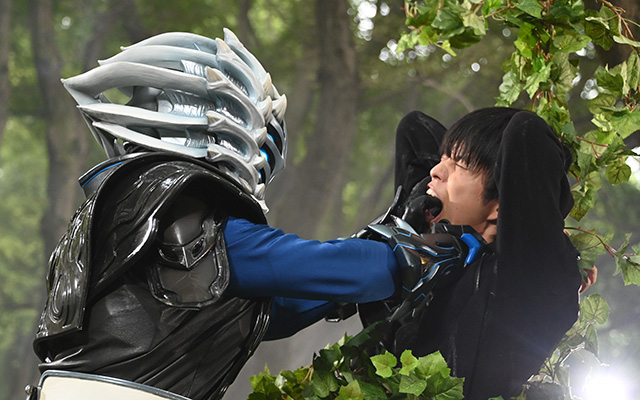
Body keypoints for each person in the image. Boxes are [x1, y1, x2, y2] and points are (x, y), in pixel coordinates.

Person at [29, 29, 451, 400]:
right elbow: (322, 266)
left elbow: (264, 312)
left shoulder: (118, 212)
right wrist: (405, 247)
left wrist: (371, 255)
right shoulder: (176, 207)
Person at [373, 107, 584, 399]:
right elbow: (413, 128)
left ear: (501, 203)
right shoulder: (441, 268)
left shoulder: (528, 278)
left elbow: (526, 132)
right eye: (442, 159)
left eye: (460, 164)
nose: (435, 171)